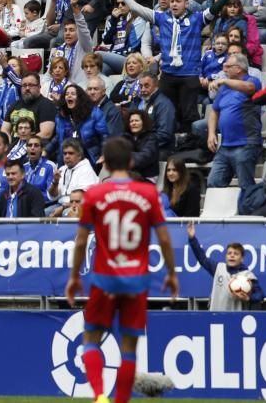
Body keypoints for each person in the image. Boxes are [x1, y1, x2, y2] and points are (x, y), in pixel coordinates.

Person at [66, 137, 178, 403]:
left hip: (105, 279)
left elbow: (81, 240)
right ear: (130, 162)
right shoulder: (148, 193)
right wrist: (172, 273)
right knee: (129, 349)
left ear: (104, 162)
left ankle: (99, 395)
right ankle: (121, 401)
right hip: (136, 281)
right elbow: (163, 238)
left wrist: (73, 278)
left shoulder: (94, 194)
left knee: (91, 339)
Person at [110, 0, 232, 134]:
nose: (174, 4)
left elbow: (215, 9)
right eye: (172, 1)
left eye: (178, 1)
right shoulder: (161, 18)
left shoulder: (197, 19)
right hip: (168, 75)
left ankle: (189, 145)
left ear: (186, 3)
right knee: (167, 112)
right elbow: (135, 7)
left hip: (189, 75)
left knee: (189, 115)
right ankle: (168, 144)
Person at [206, 53, 263, 190]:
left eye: (227, 66)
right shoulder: (224, 89)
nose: (224, 69)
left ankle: (248, 211)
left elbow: (250, 88)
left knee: (246, 186)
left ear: (238, 68)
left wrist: (224, 81)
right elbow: (214, 111)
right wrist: (211, 133)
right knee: (214, 183)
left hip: (246, 144)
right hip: (225, 145)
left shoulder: (252, 80)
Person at [186, 223, 263, 310]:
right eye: (229, 253)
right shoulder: (218, 268)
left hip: (236, 319)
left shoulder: (247, 276)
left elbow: (260, 295)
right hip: (216, 318)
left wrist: (249, 298)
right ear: (226, 256)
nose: (232, 255)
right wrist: (192, 239)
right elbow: (202, 258)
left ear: (242, 259)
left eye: (236, 254)